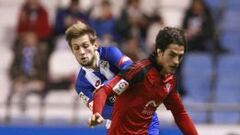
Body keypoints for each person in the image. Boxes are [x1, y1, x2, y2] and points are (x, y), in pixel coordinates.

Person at [89, 27, 199, 135]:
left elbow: (180, 113)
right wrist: (97, 113)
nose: (176, 61)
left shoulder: (169, 81)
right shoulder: (139, 71)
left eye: (180, 56)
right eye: (172, 55)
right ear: (159, 51)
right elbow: (104, 91)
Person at [65, 21, 160, 134]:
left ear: (95, 44)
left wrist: (106, 88)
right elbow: (102, 111)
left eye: (85, 46)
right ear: (72, 52)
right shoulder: (81, 84)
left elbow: (133, 72)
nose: (81, 52)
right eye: (76, 48)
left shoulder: (111, 53)